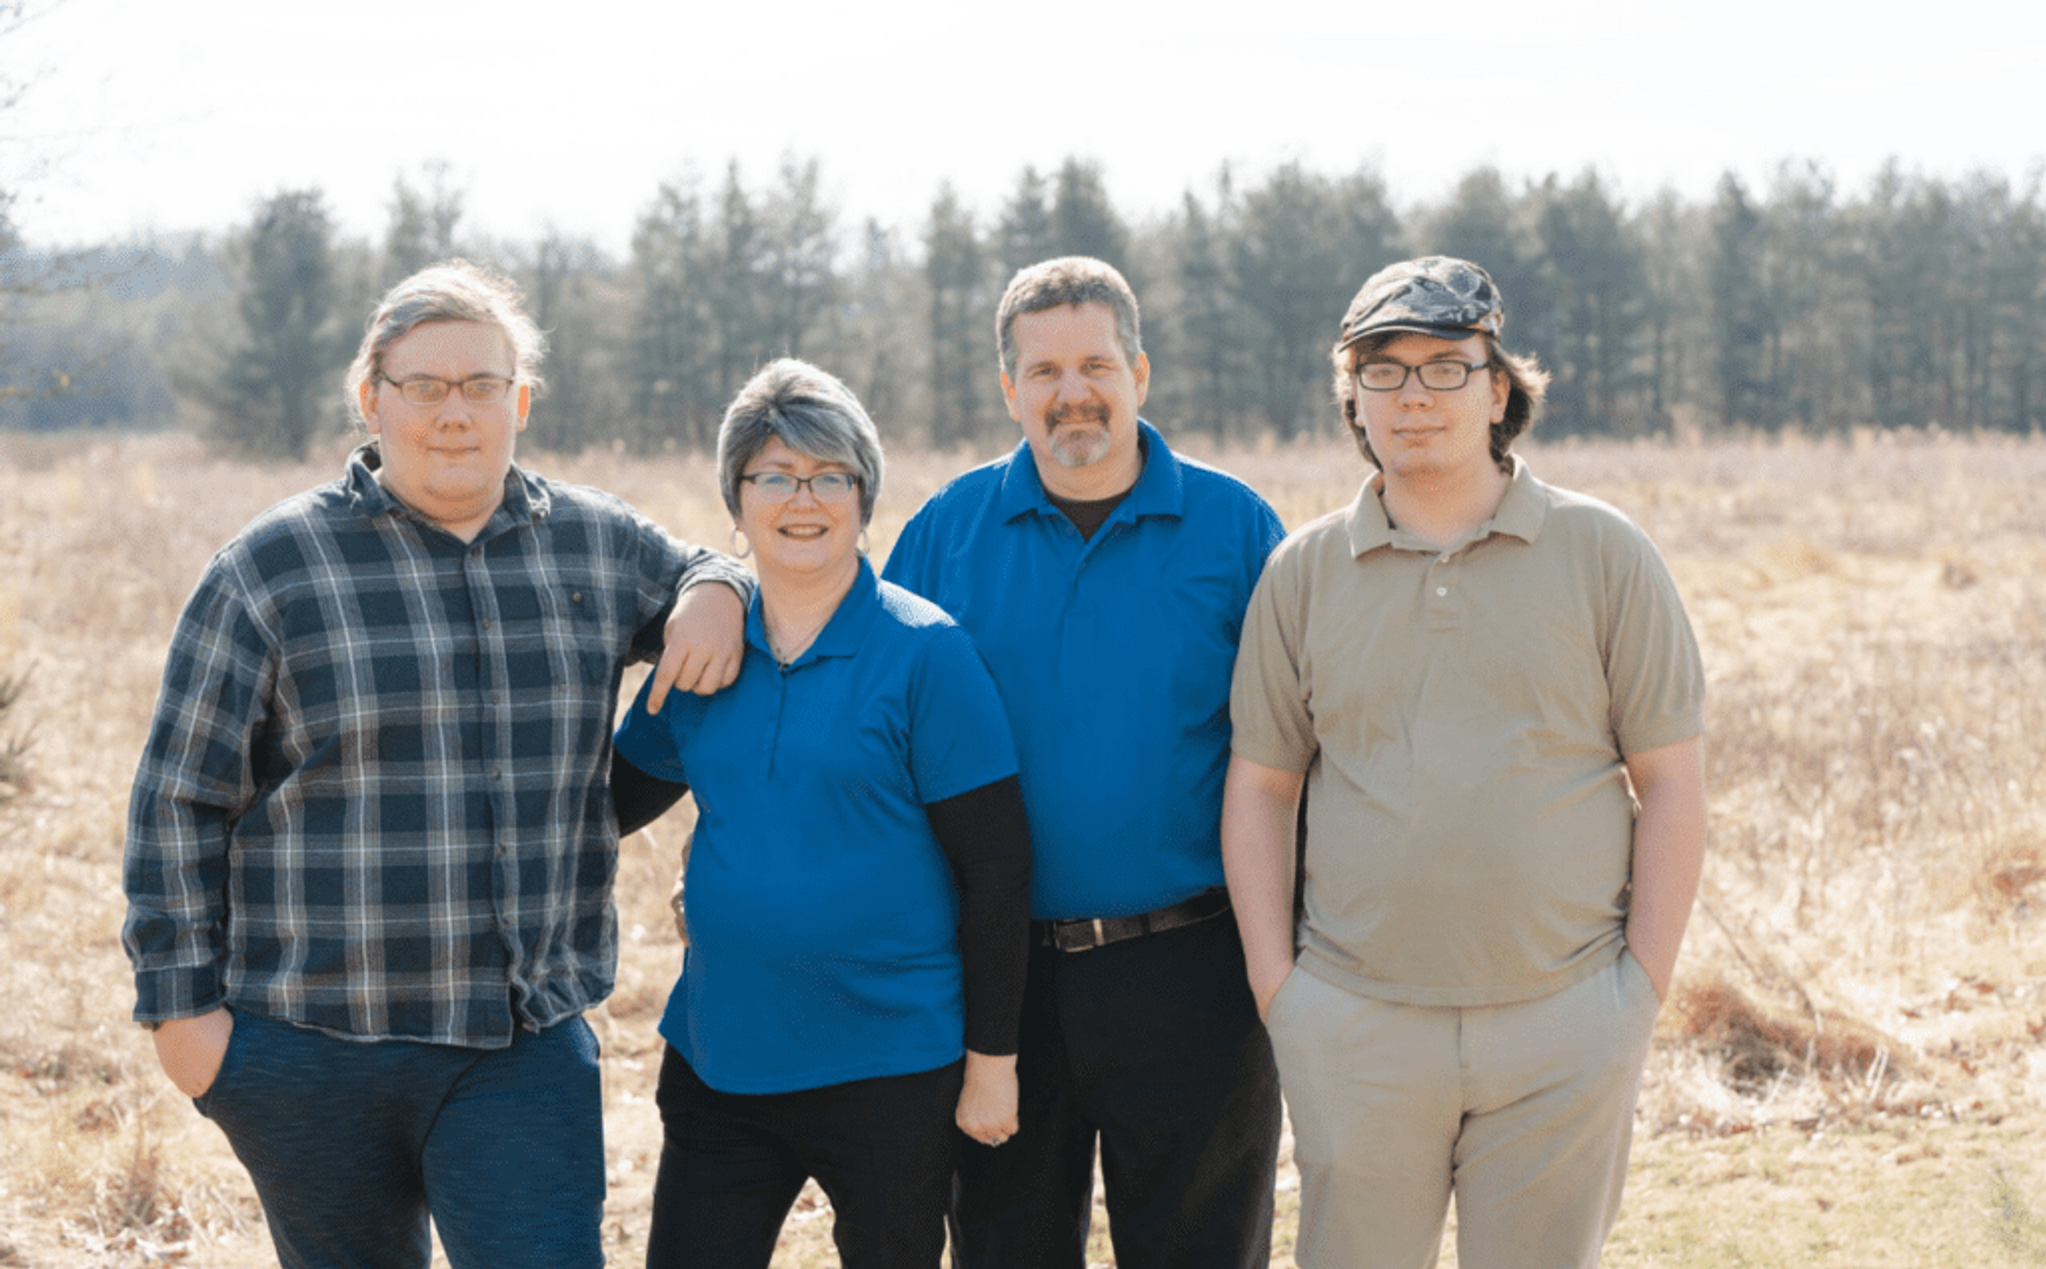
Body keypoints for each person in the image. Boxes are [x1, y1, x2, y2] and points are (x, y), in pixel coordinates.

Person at [120, 259, 753, 1269]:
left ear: (521, 400)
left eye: (481, 385)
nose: (455, 413)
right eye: (425, 386)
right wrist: (184, 1022)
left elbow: (712, 572)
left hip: (521, 1045)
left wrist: (720, 583)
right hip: (309, 1044)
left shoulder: (592, 544)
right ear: (371, 399)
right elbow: (178, 802)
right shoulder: (272, 569)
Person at [1222, 255, 1708, 1268]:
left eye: (1446, 366)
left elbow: (1670, 783)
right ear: (1351, 392)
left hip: (1564, 1019)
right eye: (1383, 369)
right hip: (1356, 1024)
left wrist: (1636, 995)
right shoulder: (1301, 574)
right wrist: (1284, 995)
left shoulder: (1605, 553)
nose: (1413, 396)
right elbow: (1261, 789)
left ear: (1498, 388)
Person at [883, 256, 1286, 1268]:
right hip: (996, 977)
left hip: (1198, 970)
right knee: (1005, 1248)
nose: (1074, 393)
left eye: (1096, 364)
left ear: (1139, 374)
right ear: (1010, 389)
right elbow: (873, 733)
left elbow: (1302, 743)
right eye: (1045, 370)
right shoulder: (943, 535)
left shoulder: (1237, 530)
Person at [608, 357, 1033, 1269]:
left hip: (889, 1069)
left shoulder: (926, 654)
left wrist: (991, 1059)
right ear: (738, 498)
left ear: (862, 495)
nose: (803, 499)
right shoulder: (706, 648)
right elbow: (605, 803)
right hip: (721, 1060)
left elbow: (996, 867)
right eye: (774, 476)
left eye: (829, 476)